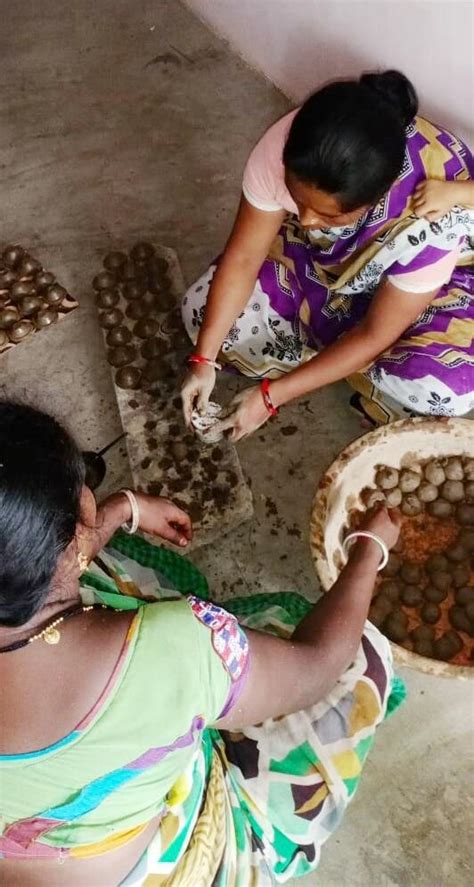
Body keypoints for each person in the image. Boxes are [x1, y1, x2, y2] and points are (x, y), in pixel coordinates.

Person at [0, 402, 405, 886]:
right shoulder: (179, 648)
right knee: (363, 657)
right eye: (82, 491)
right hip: (166, 863)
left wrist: (121, 510)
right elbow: (315, 668)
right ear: (67, 538)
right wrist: (368, 553)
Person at [181, 70, 474, 433]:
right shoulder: (291, 148)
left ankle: (342, 365)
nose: (303, 220)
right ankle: (334, 359)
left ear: (375, 201)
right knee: (201, 315)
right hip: (325, 263)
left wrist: (271, 397)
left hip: (433, 292)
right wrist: (202, 359)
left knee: (446, 390)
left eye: (326, 213)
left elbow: (375, 334)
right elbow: (242, 258)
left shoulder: (427, 221)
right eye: (297, 199)